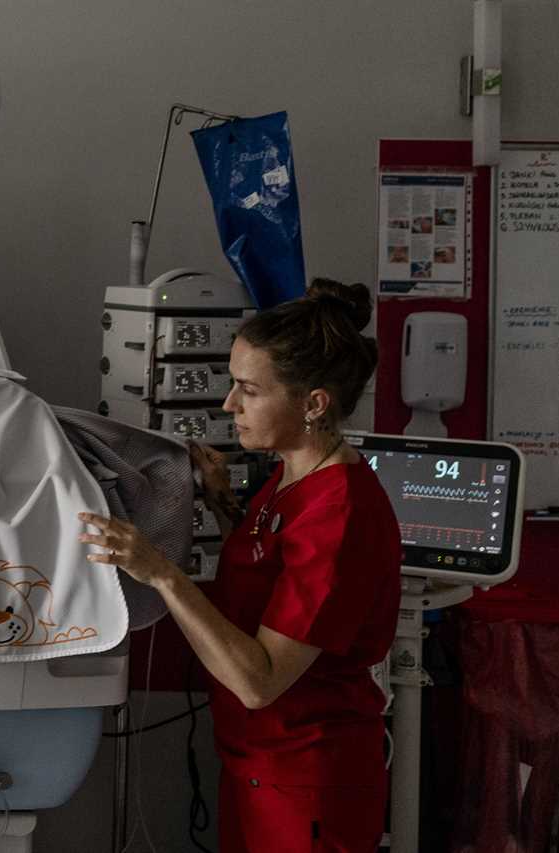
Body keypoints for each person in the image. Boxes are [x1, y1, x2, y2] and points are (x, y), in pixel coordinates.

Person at [79, 278, 400, 853]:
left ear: (314, 402)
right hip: (257, 763)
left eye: (249, 390)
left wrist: (160, 572)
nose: (230, 405)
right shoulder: (292, 472)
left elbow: (259, 681)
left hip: (307, 781)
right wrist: (223, 503)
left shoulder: (340, 512)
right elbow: (267, 570)